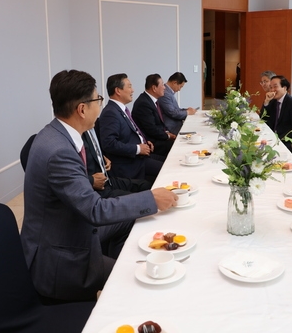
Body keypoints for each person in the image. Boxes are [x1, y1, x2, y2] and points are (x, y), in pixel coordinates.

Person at [21, 69, 177, 302]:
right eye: (98, 100)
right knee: (138, 276)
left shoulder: (56, 134)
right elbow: (94, 209)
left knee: (130, 220)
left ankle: (114, 269)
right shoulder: (59, 152)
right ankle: (117, 289)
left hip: (70, 228)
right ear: (82, 109)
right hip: (58, 258)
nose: (101, 106)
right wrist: (151, 199)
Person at [100, 73, 164, 183]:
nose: (133, 90)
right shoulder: (110, 113)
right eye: (129, 86)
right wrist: (138, 148)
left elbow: (129, 134)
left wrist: (144, 142)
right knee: (167, 171)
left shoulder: (120, 110)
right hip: (130, 164)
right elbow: (109, 143)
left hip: (141, 157)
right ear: (118, 91)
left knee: (170, 162)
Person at [82, 128, 151, 197]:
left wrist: (101, 157)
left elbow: (94, 149)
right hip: (96, 191)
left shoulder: (89, 130)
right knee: (142, 199)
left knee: (145, 185)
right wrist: (91, 180)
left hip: (107, 179)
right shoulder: (76, 137)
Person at [132, 74, 176, 157]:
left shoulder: (151, 100)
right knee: (177, 147)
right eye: (162, 84)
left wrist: (167, 133)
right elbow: (151, 130)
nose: (164, 87)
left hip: (157, 137)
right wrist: (168, 136)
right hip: (151, 143)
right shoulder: (143, 103)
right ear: (154, 88)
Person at [260, 75, 292, 147]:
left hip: (286, 140)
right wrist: (266, 102)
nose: (272, 90)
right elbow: (263, 118)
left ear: (284, 88)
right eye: (271, 87)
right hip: (272, 136)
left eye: (275, 86)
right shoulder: (273, 101)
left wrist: (278, 140)